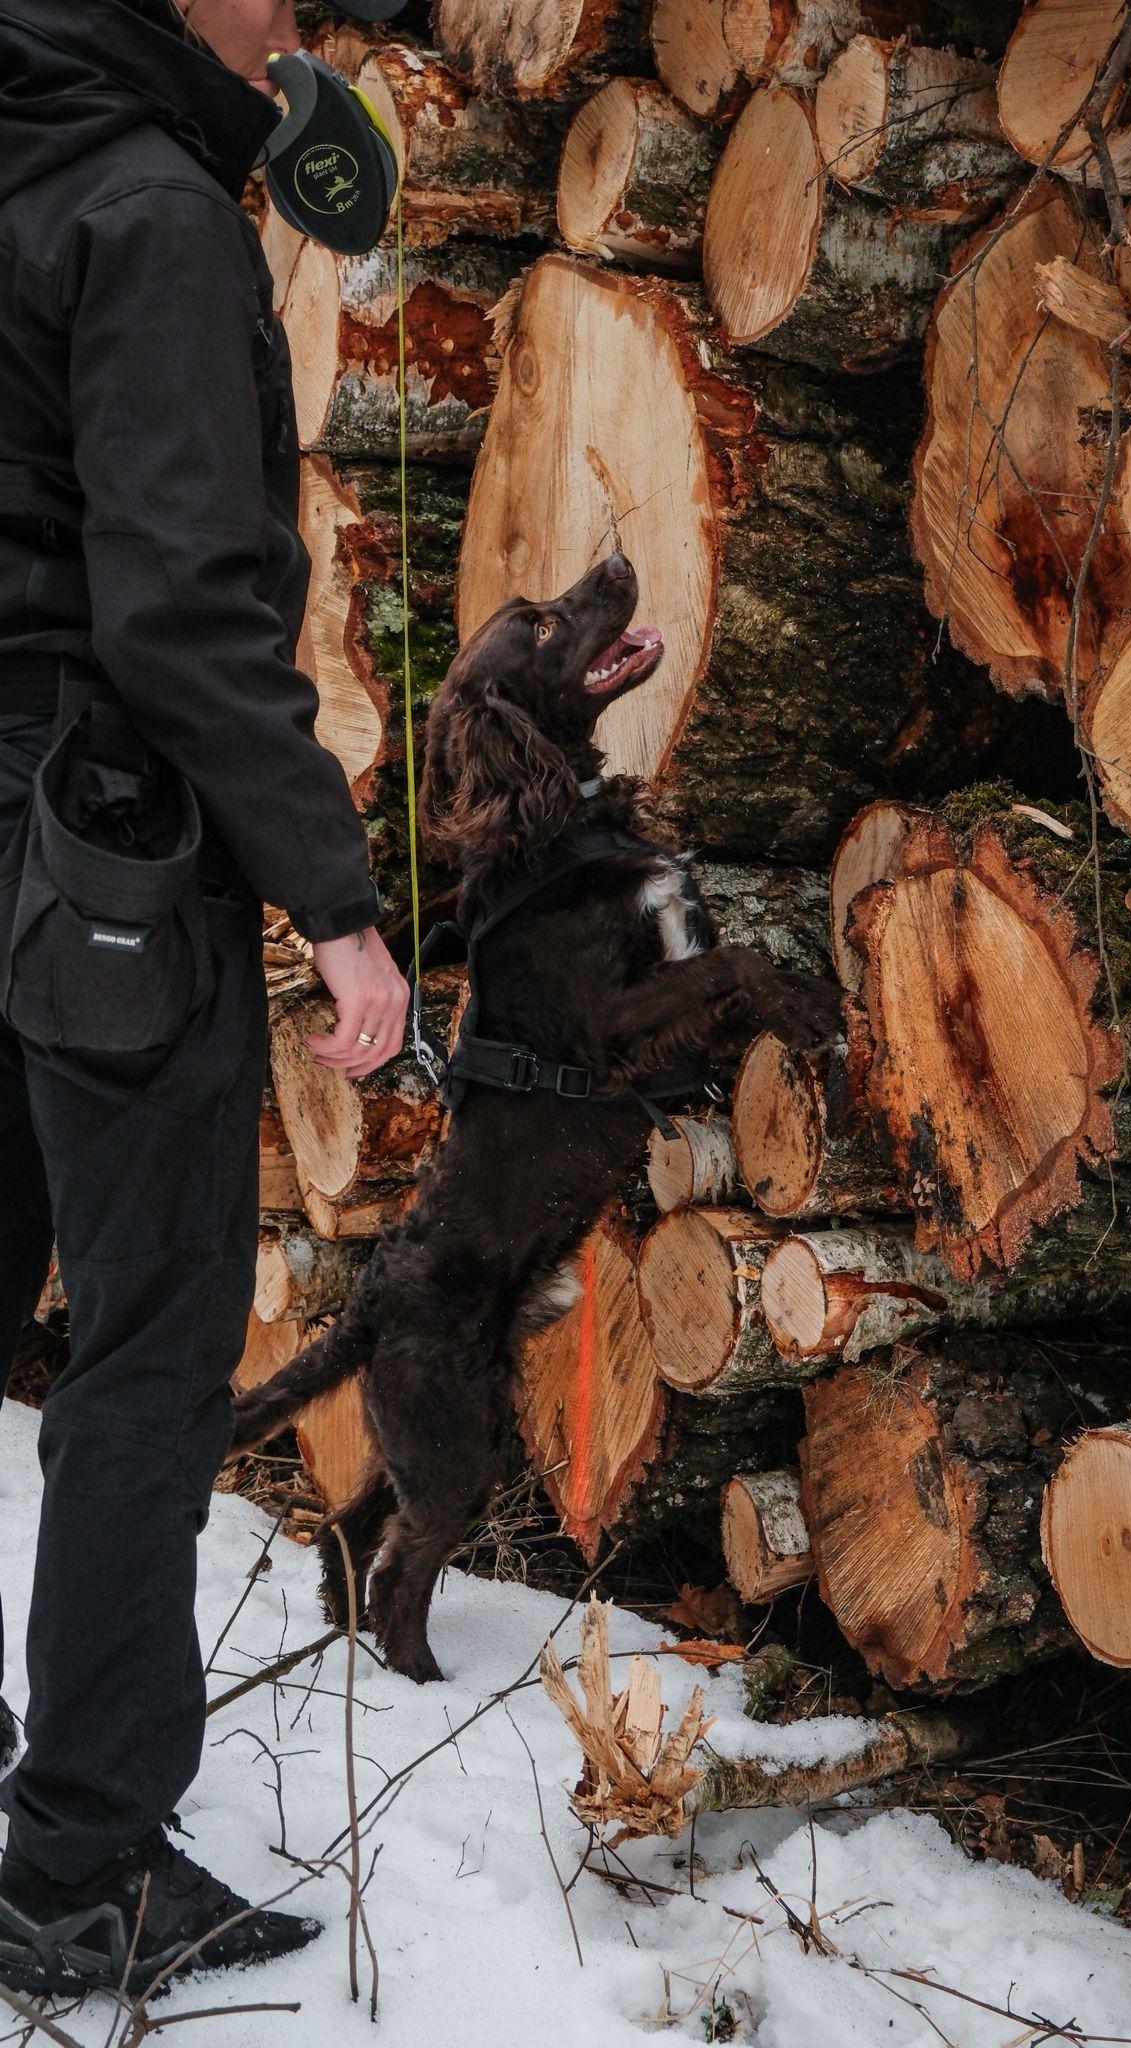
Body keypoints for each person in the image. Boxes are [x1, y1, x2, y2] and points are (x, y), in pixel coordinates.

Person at [0, 0, 411, 1996]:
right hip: (95, 855)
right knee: (151, 1351)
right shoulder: (146, 211)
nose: (306, 32)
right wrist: (332, 900)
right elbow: (174, 605)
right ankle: (80, 1869)